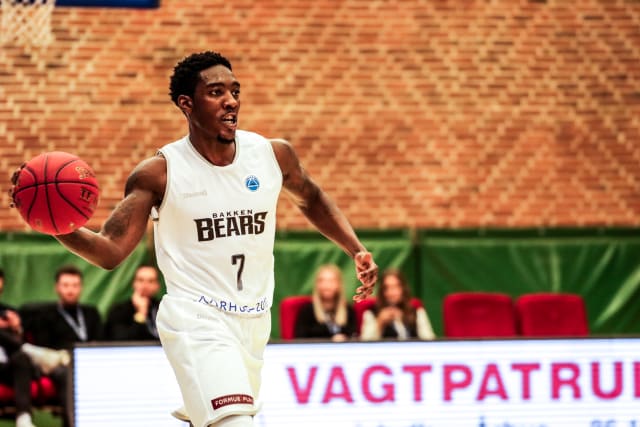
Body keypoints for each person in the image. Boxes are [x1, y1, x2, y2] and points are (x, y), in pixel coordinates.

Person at [10, 51, 378, 427]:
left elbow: (311, 198)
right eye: (216, 92)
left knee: (218, 420)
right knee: (235, 422)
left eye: (234, 91)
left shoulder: (272, 155)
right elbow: (110, 251)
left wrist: (356, 249)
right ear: (187, 104)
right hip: (196, 318)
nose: (231, 100)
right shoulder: (159, 174)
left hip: (254, 320)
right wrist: (55, 223)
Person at [33, 265, 102, 427]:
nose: (70, 290)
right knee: (68, 374)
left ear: (81, 287)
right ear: (57, 287)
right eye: (66, 285)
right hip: (60, 364)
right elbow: (44, 347)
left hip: (90, 362)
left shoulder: (91, 313)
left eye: (75, 285)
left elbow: (101, 340)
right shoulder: (46, 316)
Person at [360, 268, 435, 341]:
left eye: (395, 287)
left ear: (403, 288)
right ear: (381, 291)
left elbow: (429, 340)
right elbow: (364, 344)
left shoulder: (416, 311)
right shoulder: (371, 313)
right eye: (386, 288)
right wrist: (380, 322)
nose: (391, 293)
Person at [294, 264, 356, 341]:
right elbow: (300, 340)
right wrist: (330, 341)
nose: (327, 285)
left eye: (331, 281)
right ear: (317, 285)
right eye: (322, 281)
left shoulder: (348, 310)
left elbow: (354, 336)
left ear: (339, 284)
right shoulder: (307, 311)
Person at [104, 264, 161, 341]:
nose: (145, 285)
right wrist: (141, 314)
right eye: (141, 280)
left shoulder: (163, 308)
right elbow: (120, 339)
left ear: (157, 286)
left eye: (150, 281)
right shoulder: (119, 310)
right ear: (134, 283)